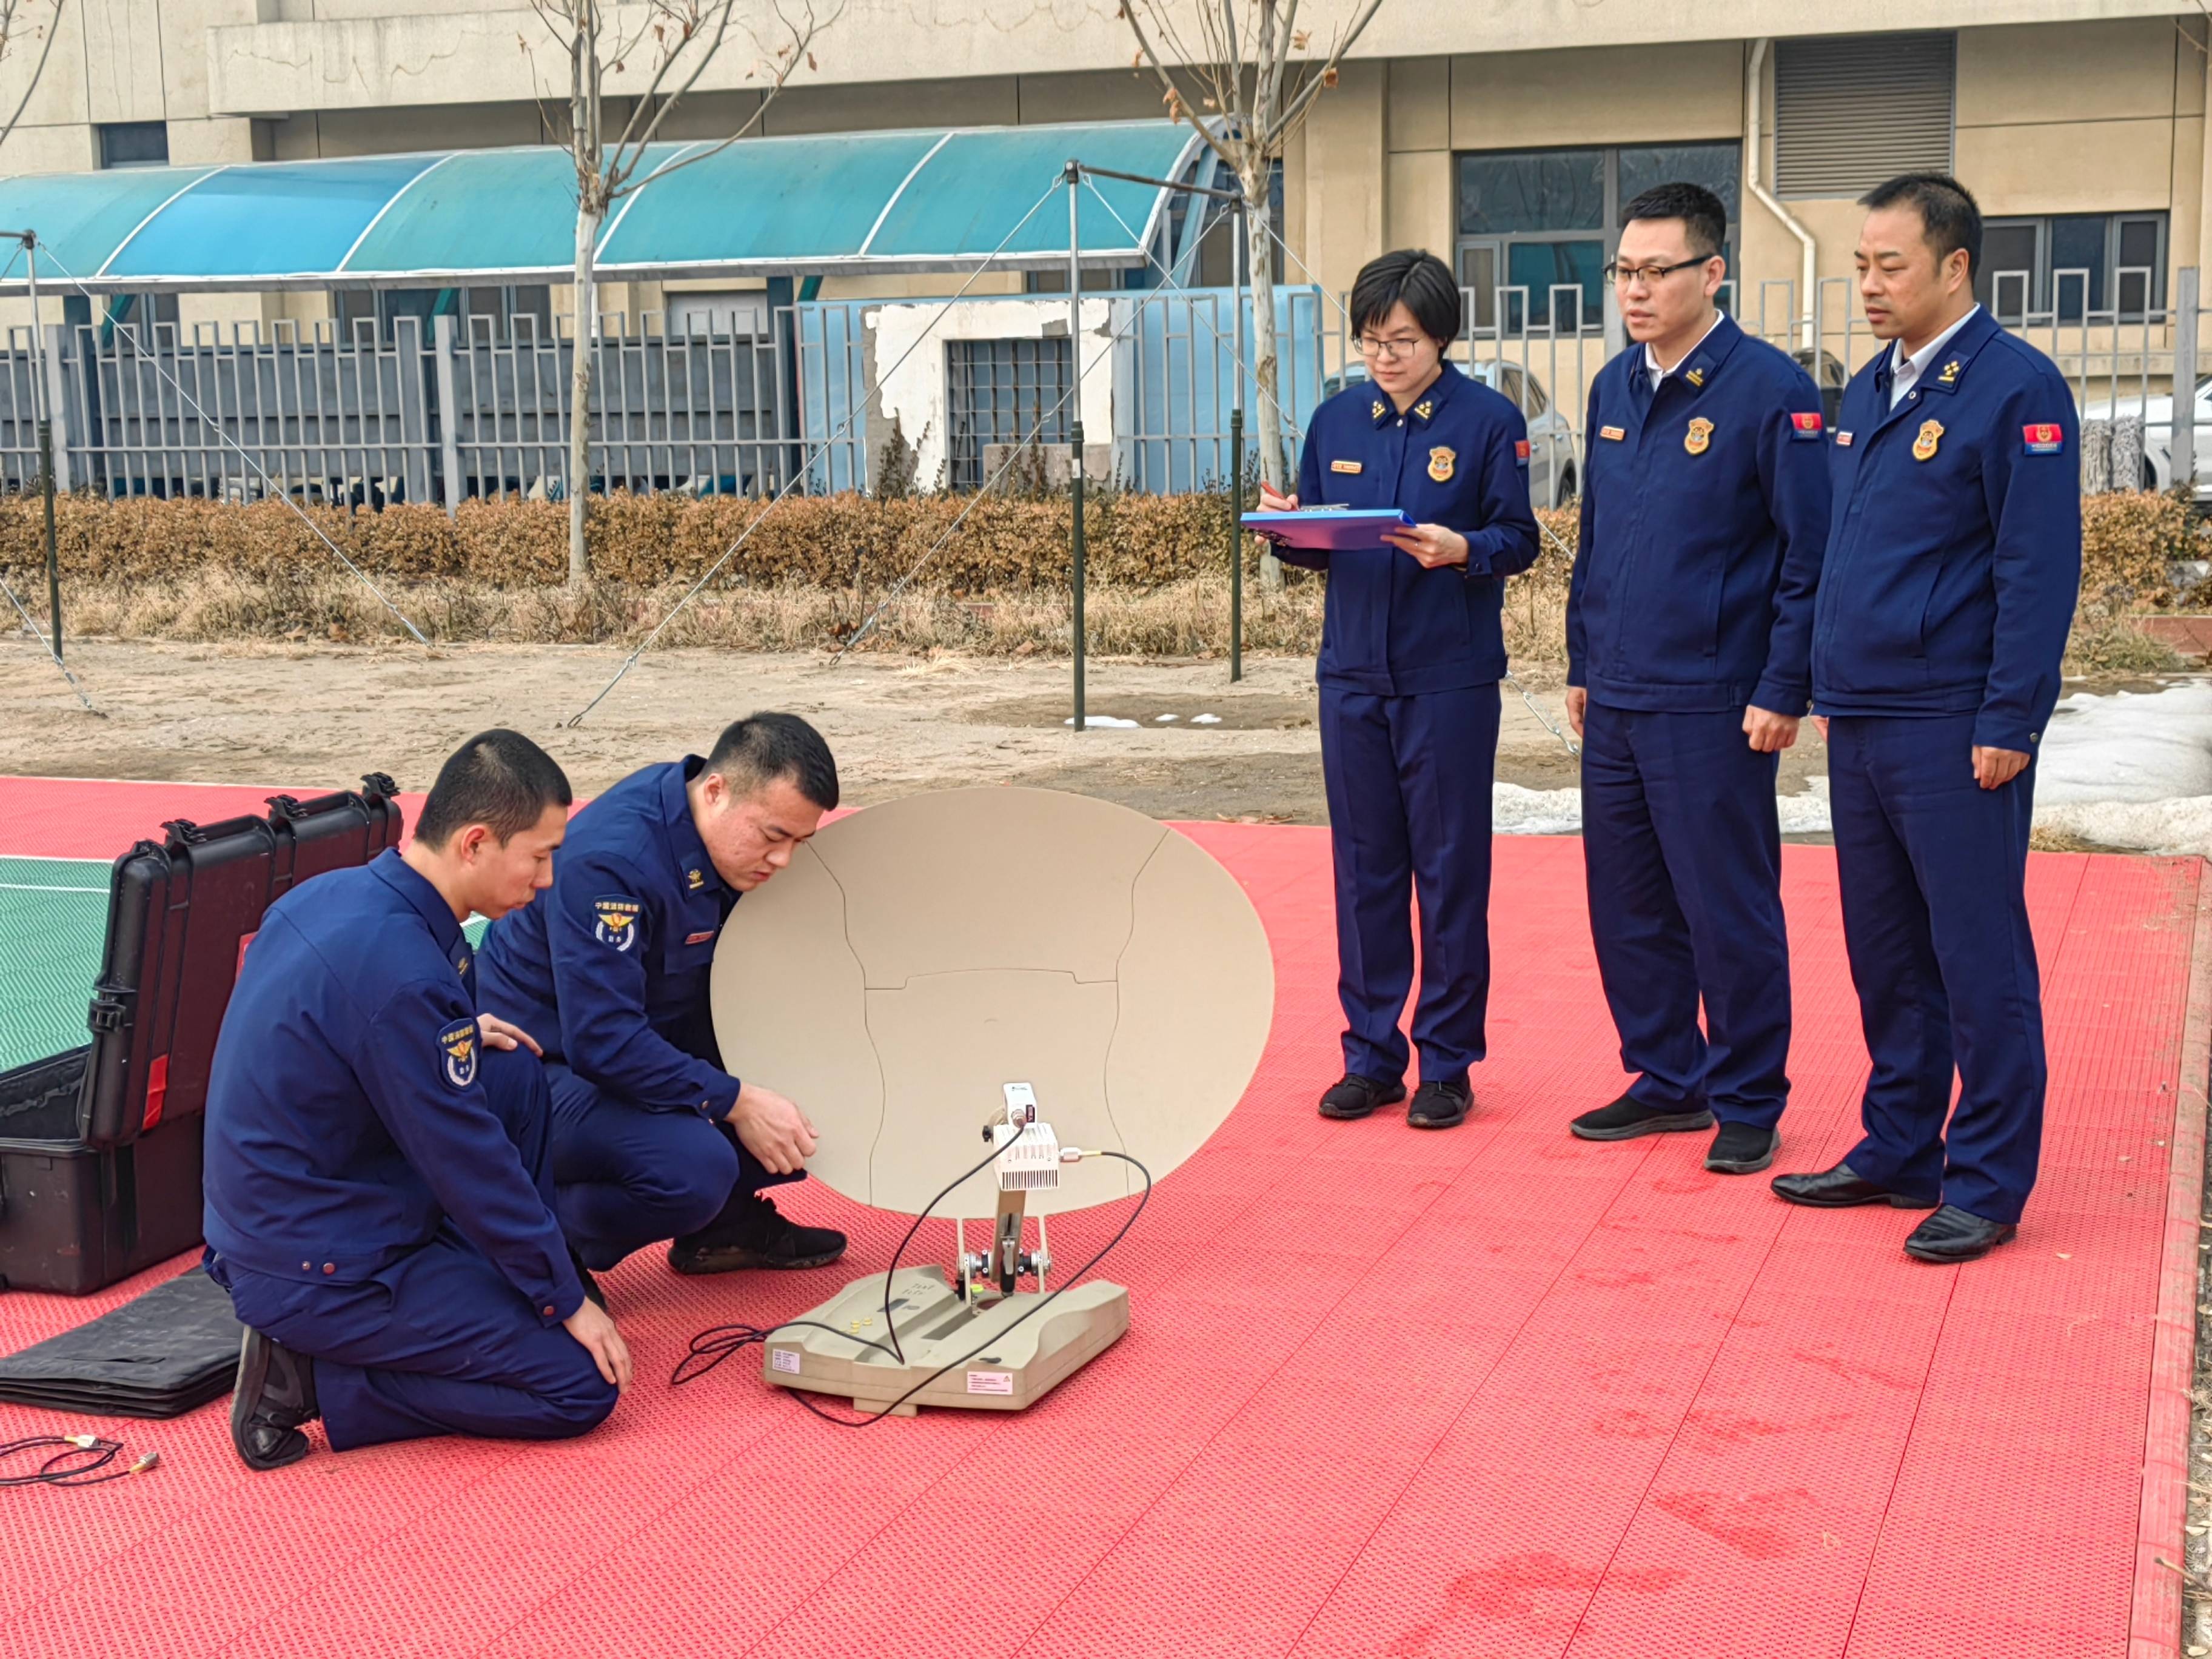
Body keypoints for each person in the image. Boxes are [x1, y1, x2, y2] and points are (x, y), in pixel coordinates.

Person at [1770, 173, 2080, 1262]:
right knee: (1887, 953)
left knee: (1976, 953)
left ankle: (1986, 1177)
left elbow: (2035, 571)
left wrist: (2010, 717)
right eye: (1857, 263)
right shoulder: (1866, 391)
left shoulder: (2013, 390)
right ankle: (1898, 1143)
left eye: (1886, 264)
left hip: (1955, 726)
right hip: (1859, 718)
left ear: (1954, 266)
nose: (1864, 283)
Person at [207, 730, 630, 1471]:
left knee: (512, 1073)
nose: (549, 878)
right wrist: (562, 1300)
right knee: (578, 1387)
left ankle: (505, 1285)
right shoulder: (403, 974)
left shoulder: (341, 894)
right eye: (538, 855)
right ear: (474, 843)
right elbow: (467, 1159)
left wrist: (453, 1031)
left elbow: (343, 1040)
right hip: (316, 1266)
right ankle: (310, 1378)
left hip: (307, 1201)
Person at [1563, 183, 1832, 1175]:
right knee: (1625, 903)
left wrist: (1783, 684)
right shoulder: (1610, 389)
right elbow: (1594, 540)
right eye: (1621, 271)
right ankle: (1663, 1078)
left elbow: (1809, 552)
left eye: (1653, 271)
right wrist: (1584, 661)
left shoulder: (1769, 391)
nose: (1632, 289)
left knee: (1725, 904)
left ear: (1710, 272)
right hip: (1621, 694)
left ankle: (1748, 1095)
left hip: (1717, 699)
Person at [1257, 249, 1541, 1131]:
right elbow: (1319, 541)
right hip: (1351, 677)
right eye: (1373, 340)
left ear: (1442, 337)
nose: (1386, 357)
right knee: (1363, 870)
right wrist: (1285, 529)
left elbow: (1519, 537)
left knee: (1450, 872)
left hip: (1448, 679)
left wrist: (1467, 549)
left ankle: (1447, 1063)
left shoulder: (1490, 421)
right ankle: (1371, 1056)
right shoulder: (1338, 421)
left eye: (1405, 341)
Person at [475, 713, 846, 1284]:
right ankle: (541, 1248)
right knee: (694, 1166)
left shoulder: (715, 834)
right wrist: (736, 1101)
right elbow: (602, 1041)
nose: (784, 861)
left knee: (814, 1087)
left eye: (800, 841)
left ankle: (723, 1229)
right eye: (774, 836)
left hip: (634, 1043)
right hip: (535, 1069)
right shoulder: (614, 864)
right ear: (716, 791)